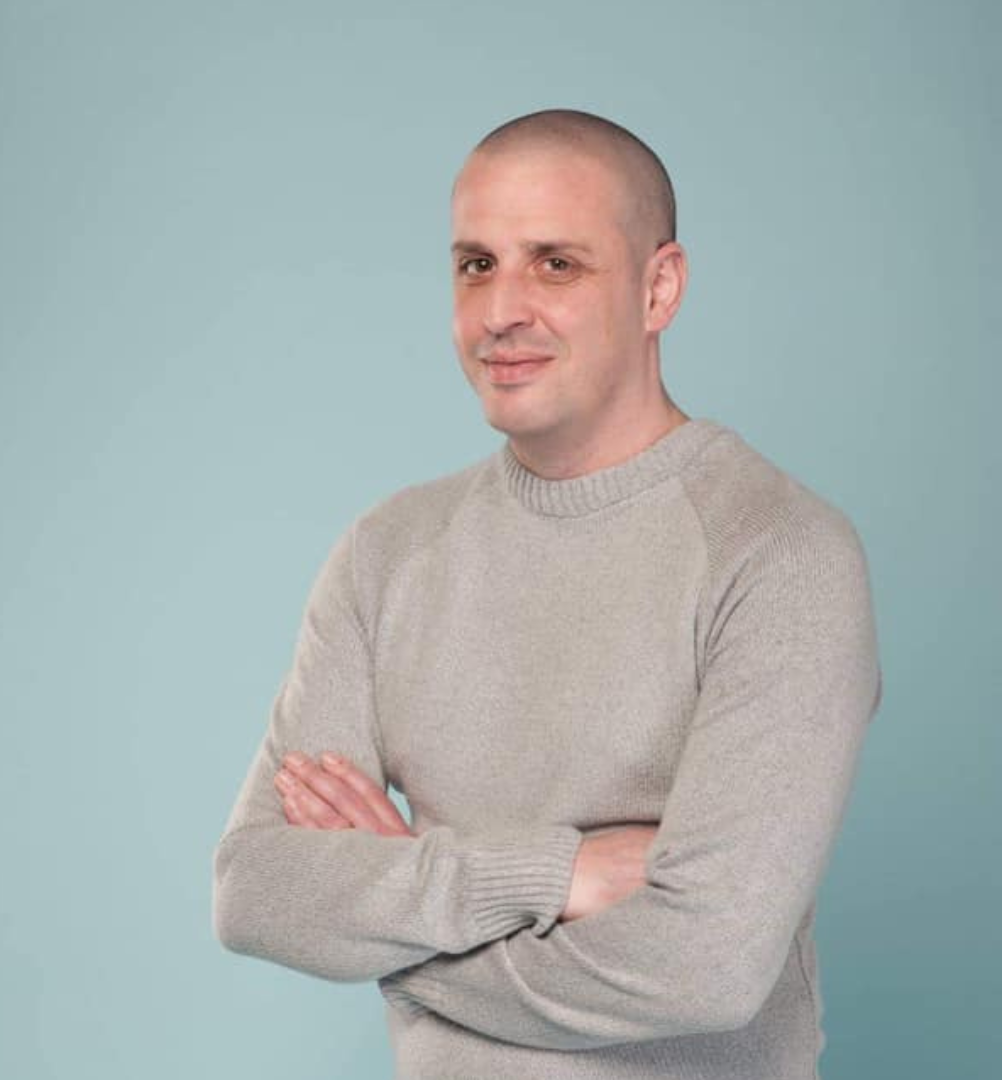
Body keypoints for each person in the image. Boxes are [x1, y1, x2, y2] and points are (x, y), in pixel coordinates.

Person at [212, 108, 884, 1079]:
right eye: (476, 264)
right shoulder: (387, 552)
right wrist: (555, 873)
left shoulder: (780, 551)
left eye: (556, 264)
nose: (499, 312)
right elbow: (257, 891)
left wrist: (396, 930)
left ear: (661, 288)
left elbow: (705, 966)